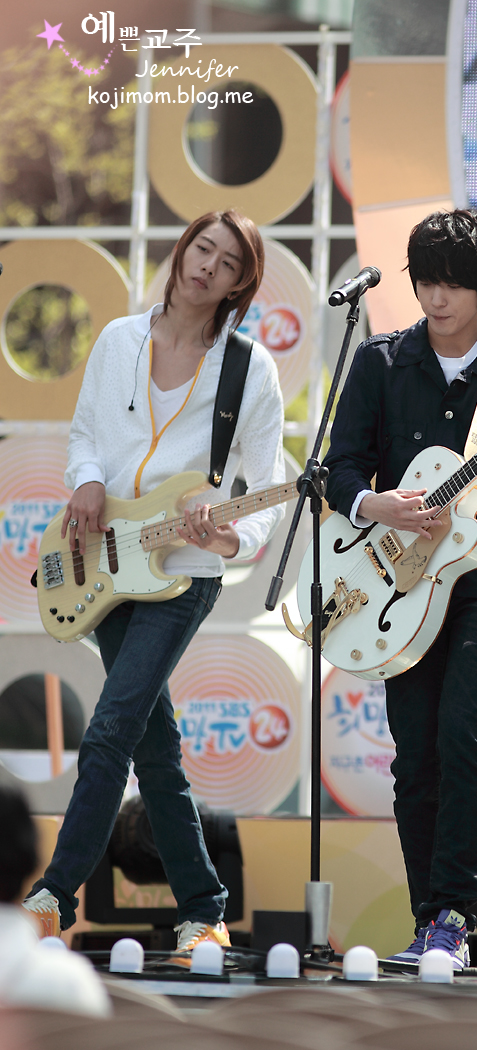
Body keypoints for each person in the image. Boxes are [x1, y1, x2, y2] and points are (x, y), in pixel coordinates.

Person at [22, 208, 286, 953]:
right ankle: (205, 910)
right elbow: (84, 436)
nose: (208, 266)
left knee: (110, 728)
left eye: (228, 264)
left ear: (239, 286)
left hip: (182, 573)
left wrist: (229, 535)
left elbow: (266, 488)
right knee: (154, 750)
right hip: (104, 559)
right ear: (181, 250)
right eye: (203, 248)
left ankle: (52, 896)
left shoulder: (250, 368)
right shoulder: (118, 339)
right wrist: (86, 479)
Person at [323, 209, 477, 970]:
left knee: (462, 737)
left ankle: (454, 917)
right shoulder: (381, 363)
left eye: (453, 283)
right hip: (402, 585)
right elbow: (338, 469)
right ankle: (428, 921)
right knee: (414, 754)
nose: (436, 297)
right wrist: (377, 505)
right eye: (426, 280)